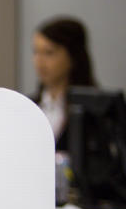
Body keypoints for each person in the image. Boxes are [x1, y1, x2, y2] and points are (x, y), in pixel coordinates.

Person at [31, 17, 98, 149]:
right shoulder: (28, 108)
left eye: (49, 53)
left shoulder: (95, 113)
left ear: (72, 56)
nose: (39, 61)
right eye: (36, 52)